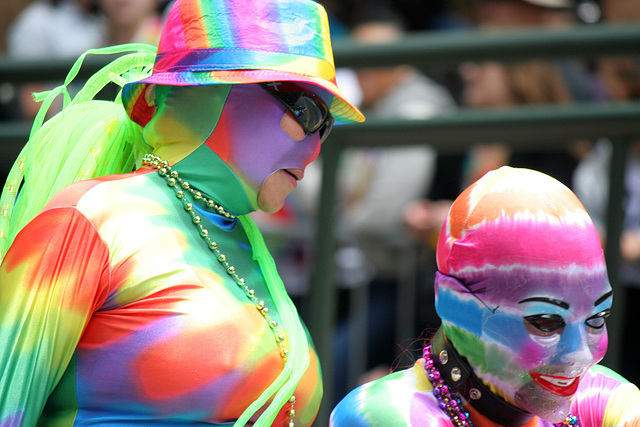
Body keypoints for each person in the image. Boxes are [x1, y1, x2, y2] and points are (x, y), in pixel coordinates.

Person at [0, 0, 364, 425]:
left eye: (326, 126)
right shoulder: (92, 218)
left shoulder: (247, 244)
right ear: (201, 93)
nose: (316, 146)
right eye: (305, 111)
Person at [331, 166, 640, 426]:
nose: (580, 355)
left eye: (596, 319)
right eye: (546, 322)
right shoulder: (384, 415)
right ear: (454, 303)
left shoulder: (602, 398)